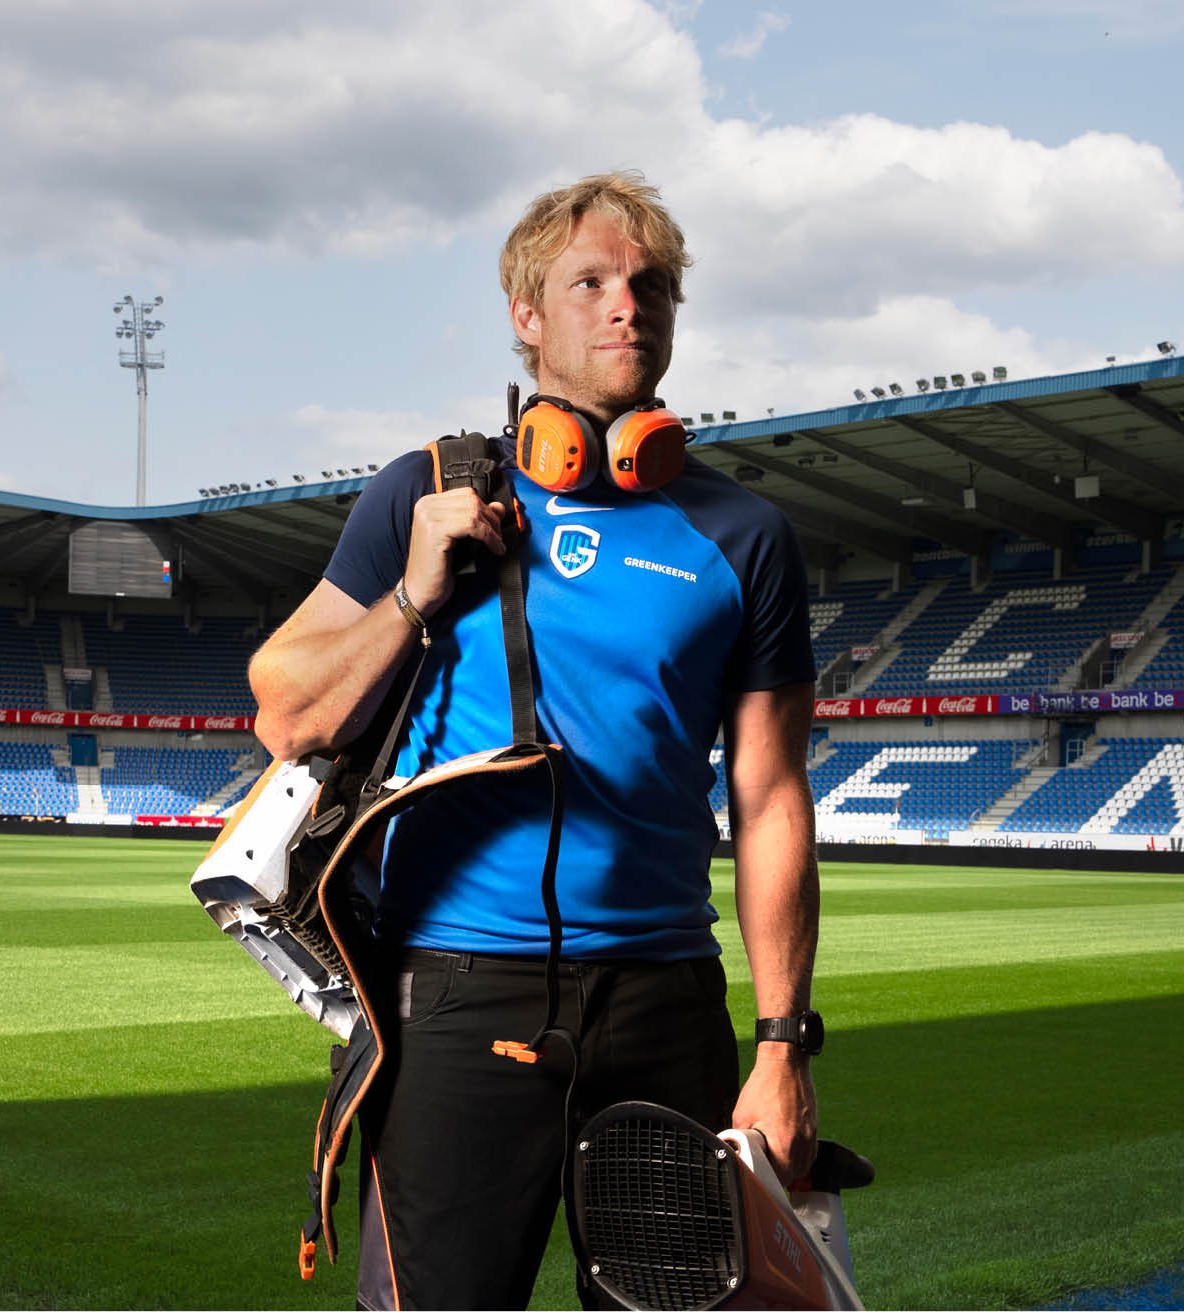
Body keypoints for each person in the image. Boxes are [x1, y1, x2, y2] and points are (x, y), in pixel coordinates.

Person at [249, 170, 821, 1311]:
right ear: (526, 315)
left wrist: (780, 1046)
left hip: (667, 1003)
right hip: (457, 1000)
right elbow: (287, 710)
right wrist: (414, 591)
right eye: (593, 282)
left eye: (651, 285)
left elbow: (769, 799)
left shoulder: (745, 535)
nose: (629, 307)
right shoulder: (425, 492)